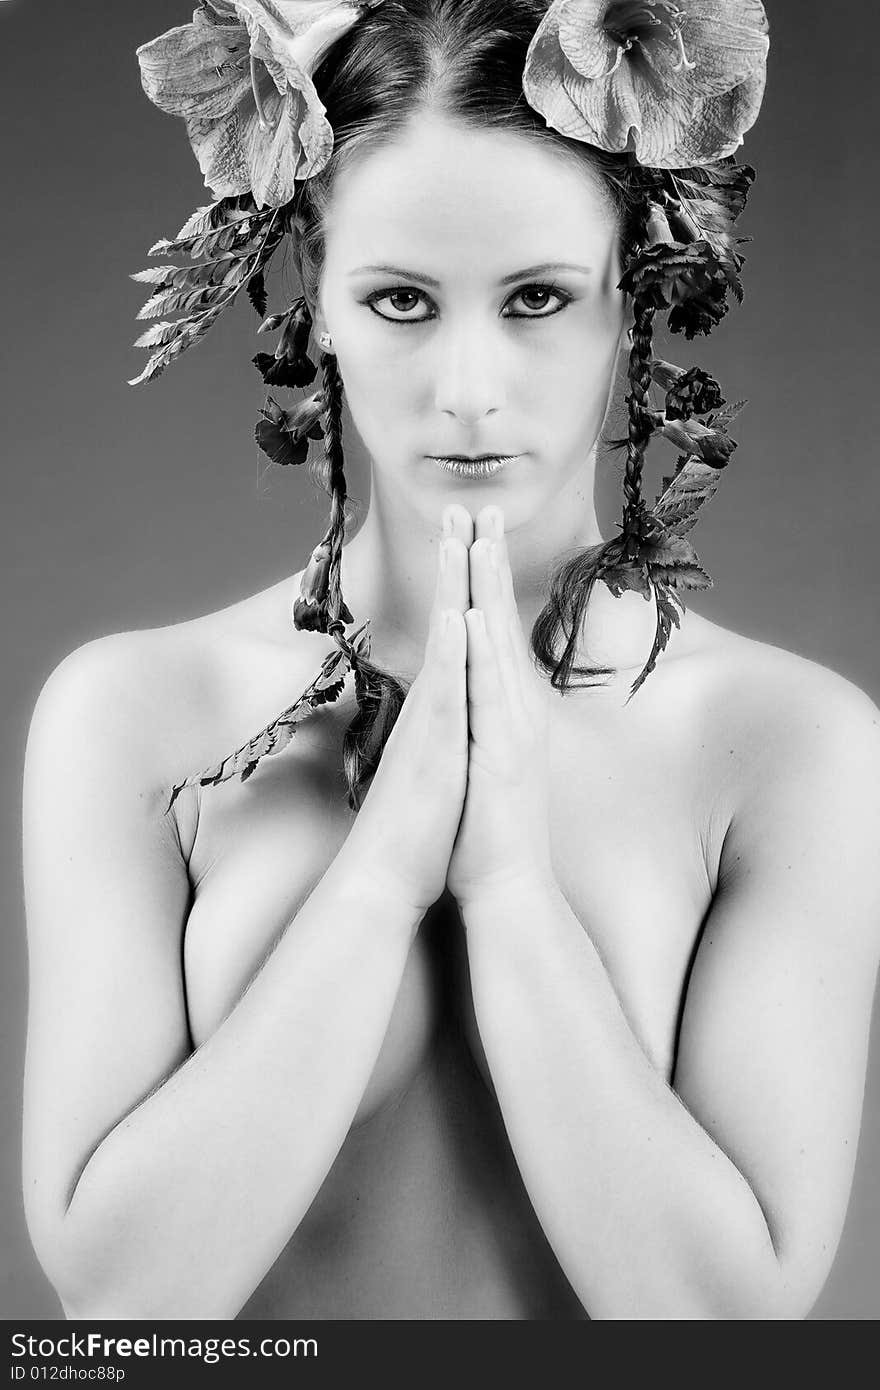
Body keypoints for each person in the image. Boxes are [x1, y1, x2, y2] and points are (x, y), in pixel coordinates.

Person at [20, 0, 880, 1321]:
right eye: (403, 300)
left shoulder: (789, 746)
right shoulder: (134, 713)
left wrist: (512, 886)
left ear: (631, 297)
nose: (470, 384)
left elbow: (728, 1318)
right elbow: (118, 1308)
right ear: (320, 308)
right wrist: (381, 866)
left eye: (536, 298)